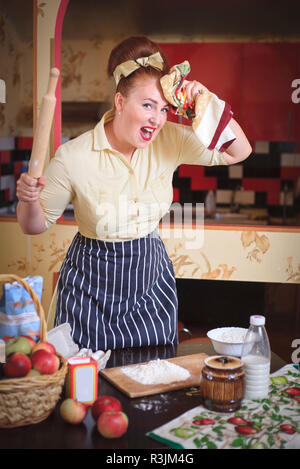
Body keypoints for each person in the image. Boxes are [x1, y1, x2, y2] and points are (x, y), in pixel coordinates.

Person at [16, 36, 252, 351]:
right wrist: (28, 200)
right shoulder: (73, 156)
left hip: (150, 284)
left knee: (152, 378)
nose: (157, 119)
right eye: (147, 105)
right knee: (87, 384)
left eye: (165, 108)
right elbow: (34, 225)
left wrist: (203, 101)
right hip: (89, 290)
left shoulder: (171, 140)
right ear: (120, 102)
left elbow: (240, 151)